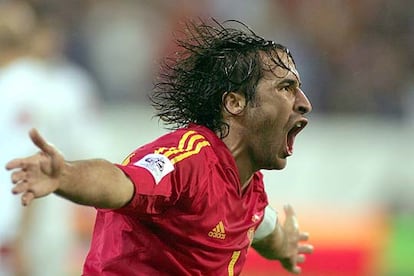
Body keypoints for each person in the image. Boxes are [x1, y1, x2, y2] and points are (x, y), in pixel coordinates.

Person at [5, 19, 314, 275]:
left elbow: (261, 225)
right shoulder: (187, 160)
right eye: (286, 88)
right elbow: (122, 182)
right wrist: (66, 176)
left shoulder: (249, 188)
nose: (304, 104)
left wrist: (285, 246)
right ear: (235, 103)